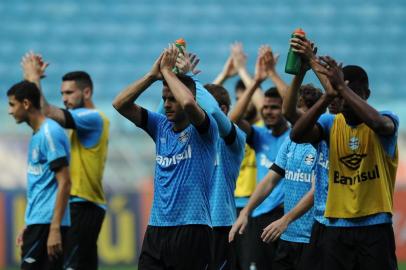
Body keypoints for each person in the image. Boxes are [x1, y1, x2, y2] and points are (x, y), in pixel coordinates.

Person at [112, 44, 218, 270]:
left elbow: (189, 102)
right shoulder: (159, 126)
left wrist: (169, 73)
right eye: (164, 98)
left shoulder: (205, 130)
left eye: (172, 98)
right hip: (157, 229)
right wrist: (152, 76)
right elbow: (119, 104)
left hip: (193, 228)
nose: (167, 104)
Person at [290, 53, 399, 270]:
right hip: (336, 226)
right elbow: (297, 135)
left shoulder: (386, 118)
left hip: (375, 225)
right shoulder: (331, 123)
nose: (346, 103)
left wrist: (342, 88)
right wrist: (327, 96)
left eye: (352, 94)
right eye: (342, 96)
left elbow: (380, 125)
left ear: (366, 95)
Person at [230, 54, 322, 269]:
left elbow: (317, 190)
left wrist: (286, 218)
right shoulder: (287, 141)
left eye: (296, 109)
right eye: (267, 108)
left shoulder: (321, 143)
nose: (270, 111)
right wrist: (246, 212)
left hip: (308, 230)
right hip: (277, 225)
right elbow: (270, 179)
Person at [21, 53, 109, 270]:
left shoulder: (94, 118)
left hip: (84, 203)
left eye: (69, 92)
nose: (64, 98)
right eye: (62, 93)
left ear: (86, 92)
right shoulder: (73, 124)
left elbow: (46, 113)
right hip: (74, 207)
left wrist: (33, 79)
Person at [229, 46, 291, 270]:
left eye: (275, 108)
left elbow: (291, 100)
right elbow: (233, 119)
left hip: (287, 214)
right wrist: (254, 80)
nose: (268, 112)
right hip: (259, 215)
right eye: (265, 108)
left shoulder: (295, 136)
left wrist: (273, 74)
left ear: (285, 110)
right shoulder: (259, 135)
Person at [8, 81, 71, 270]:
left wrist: (54, 229)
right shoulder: (37, 135)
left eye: (12, 104)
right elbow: (42, 185)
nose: (10, 111)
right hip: (38, 224)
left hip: (48, 225)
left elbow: (65, 182)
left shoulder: (50, 133)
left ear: (26, 104)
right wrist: (30, 223)